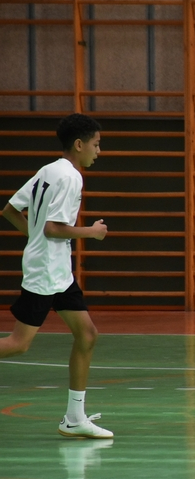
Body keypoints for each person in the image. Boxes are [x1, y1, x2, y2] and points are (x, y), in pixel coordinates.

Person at [0, 113, 113, 438]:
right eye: (96, 144)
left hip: (58, 271)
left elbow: (9, 210)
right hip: (46, 274)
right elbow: (52, 228)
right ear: (79, 145)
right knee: (19, 344)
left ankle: (74, 419)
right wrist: (91, 232)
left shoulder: (48, 170)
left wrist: (33, 236)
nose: (98, 151)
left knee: (87, 335)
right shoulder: (70, 177)